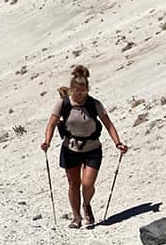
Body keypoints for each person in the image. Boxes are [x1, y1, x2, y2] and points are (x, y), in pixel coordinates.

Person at [40, 65, 128, 228]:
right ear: (71, 89)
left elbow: (108, 124)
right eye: (77, 91)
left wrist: (118, 143)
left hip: (92, 149)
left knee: (87, 184)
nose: (80, 95)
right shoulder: (63, 104)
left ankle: (86, 204)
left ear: (87, 89)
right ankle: (76, 217)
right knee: (74, 184)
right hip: (70, 149)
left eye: (83, 91)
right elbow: (51, 124)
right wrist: (47, 141)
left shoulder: (94, 104)